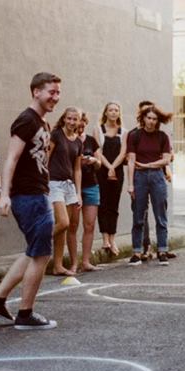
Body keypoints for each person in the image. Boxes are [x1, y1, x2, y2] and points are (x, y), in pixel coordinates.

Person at [0, 72, 62, 330]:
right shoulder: (26, 120)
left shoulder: (42, 122)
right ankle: (25, 314)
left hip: (38, 194)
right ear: (35, 91)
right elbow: (12, 159)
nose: (55, 97)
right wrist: (4, 194)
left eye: (58, 92)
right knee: (41, 254)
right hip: (27, 196)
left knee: (33, 251)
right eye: (51, 92)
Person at [126, 104, 173, 266]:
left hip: (157, 177)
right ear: (143, 118)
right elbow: (131, 161)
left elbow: (166, 159)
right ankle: (137, 252)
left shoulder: (162, 137)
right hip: (139, 178)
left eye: (154, 119)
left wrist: (147, 165)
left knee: (160, 214)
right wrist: (130, 184)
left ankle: (162, 249)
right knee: (138, 215)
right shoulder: (134, 136)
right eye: (149, 118)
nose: (151, 122)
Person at [47, 106, 82, 276]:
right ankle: (37, 242)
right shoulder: (56, 135)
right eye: (69, 118)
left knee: (63, 229)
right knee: (63, 222)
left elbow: (77, 169)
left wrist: (78, 193)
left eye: (75, 119)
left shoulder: (78, 141)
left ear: (79, 121)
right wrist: (43, 182)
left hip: (69, 186)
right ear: (64, 118)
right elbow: (45, 158)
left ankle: (58, 265)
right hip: (54, 183)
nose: (71, 122)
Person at [95, 101, 126, 257]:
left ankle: (113, 239)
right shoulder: (98, 130)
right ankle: (105, 239)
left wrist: (114, 168)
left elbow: (123, 153)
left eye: (116, 110)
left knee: (114, 205)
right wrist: (109, 167)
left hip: (117, 171)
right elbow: (97, 152)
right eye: (111, 110)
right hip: (102, 170)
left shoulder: (123, 132)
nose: (113, 112)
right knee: (103, 204)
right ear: (105, 113)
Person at [71, 111, 101, 272]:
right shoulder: (68, 139)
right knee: (73, 226)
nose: (80, 126)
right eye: (78, 123)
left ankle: (86, 261)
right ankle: (74, 262)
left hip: (91, 185)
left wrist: (93, 160)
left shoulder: (91, 141)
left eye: (83, 123)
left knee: (89, 224)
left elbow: (100, 164)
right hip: (73, 186)